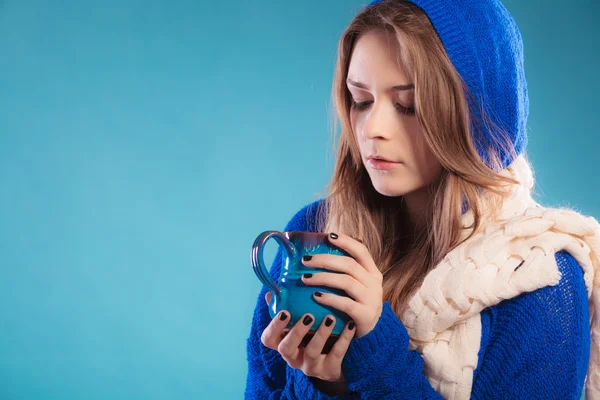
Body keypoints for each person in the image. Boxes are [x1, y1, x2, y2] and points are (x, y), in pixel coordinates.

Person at [245, 0, 600, 399]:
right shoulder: (314, 234)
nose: (372, 129)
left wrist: (374, 348)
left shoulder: (540, 280)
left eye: (408, 106)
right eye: (361, 100)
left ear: (479, 119)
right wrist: (327, 387)